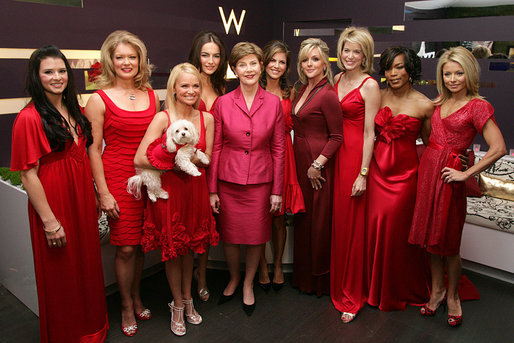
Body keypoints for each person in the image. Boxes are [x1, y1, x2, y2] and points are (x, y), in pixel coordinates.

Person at [10, 45, 108, 342]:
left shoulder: (76, 110)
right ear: (36, 77)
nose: (57, 77)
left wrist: (93, 193)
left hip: (80, 197)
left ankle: (92, 330)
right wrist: (49, 221)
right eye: (48, 72)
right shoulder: (29, 118)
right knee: (62, 274)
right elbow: (28, 174)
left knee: (87, 267)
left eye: (62, 70)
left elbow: (85, 156)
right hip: (54, 202)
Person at [409, 46, 506, 327]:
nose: (453, 79)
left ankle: (453, 297)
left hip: (451, 181)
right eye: (447, 73)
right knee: (431, 241)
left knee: (449, 244)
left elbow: (498, 147)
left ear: (469, 73)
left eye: (459, 73)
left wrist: (466, 173)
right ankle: (437, 291)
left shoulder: (478, 106)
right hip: (429, 175)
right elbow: (428, 140)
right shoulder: (437, 103)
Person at [133, 62, 219, 336]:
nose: (191, 91)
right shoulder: (163, 118)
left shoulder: (207, 119)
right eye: (185, 85)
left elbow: (208, 162)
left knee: (190, 249)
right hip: (170, 191)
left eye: (196, 85)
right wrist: (176, 157)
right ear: (174, 88)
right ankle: (178, 305)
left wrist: (195, 161)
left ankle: (189, 299)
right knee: (173, 251)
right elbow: (139, 158)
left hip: (195, 191)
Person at [85, 30, 158, 336]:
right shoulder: (98, 99)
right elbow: (92, 149)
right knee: (126, 248)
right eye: (120, 57)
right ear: (110, 61)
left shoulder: (151, 94)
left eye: (132, 56)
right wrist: (103, 192)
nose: (127, 62)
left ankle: (137, 293)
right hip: (117, 180)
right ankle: (126, 304)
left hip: (148, 181)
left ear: (140, 60)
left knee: (141, 246)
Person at [207, 42, 285, 316]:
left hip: (261, 183)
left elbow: (278, 148)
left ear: (261, 66)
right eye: (243, 64)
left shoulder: (274, 103)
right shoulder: (223, 103)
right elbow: (215, 147)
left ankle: (249, 283)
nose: (249, 69)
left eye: (253, 63)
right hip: (228, 181)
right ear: (234, 70)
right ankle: (234, 278)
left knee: (255, 238)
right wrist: (212, 190)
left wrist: (277, 191)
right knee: (230, 236)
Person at [366, 47, 433, 311]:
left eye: (399, 67)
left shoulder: (425, 104)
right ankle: (372, 286)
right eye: (388, 67)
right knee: (373, 228)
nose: (393, 73)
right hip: (374, 171)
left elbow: (431, 146)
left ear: (411, 70)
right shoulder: (377, 96)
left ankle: (396, 288)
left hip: (405, 177)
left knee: (395, 232)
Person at [330, 26, 380, 323]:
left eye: (356, 51)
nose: (350, 56)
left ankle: (352, 292)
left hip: (355, 159)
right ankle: (337, 283)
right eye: (346, 50)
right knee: (340, 224)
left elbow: (370, 132)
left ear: (365, 55)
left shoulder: (370, 85)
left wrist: (363, 173)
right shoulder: (336, 78)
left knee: (353, 225)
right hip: (336, 156)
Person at [291, 38, 343, 296]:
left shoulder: (327, 94)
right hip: (301, 164)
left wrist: (317, 165)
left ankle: (319, 281)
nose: (309, 64)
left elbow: (337, 137)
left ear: (324, 62)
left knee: (319, 224)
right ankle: (303, 278)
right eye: (304, 60)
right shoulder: (302, 89)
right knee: (304, 220)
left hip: (317, 168)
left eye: (314, 59)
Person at [257, 40, 305, 291]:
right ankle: (262, 266)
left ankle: (276, 265)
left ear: (287, 67)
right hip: (259, 154)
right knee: (259, 216)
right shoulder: (254, 88)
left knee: (278, 217)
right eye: (272, 60)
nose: (276, 66)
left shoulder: (292, 93)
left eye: (282, 62)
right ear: (263, 63)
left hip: (284, 153)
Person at [187, 31, 227, 301]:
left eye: (215, 55)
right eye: (205, 55)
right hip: (192, 166)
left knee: (207, 225)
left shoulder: (223, 87)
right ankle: (186, 275)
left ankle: (201, 274)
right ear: (196, 56)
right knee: (190, 223)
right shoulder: (187, 83)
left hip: (219, 165)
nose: (210, 60)